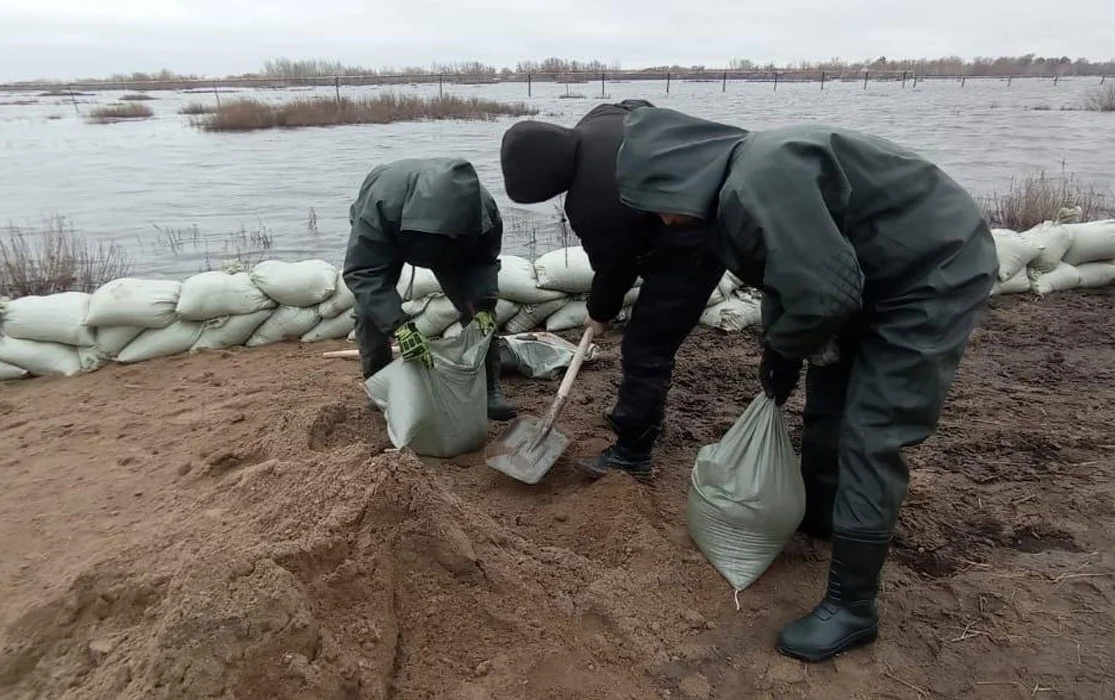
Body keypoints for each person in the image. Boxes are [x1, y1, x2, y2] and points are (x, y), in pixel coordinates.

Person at [614, 107, 998, 663]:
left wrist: (785, 346)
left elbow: (824, 299)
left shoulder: (759, 177)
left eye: (659, 206)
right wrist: (783, 353)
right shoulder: (733, 189)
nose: (665, 223)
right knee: (829, 401)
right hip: (869, 273)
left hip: (930, 273)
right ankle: (821, 512)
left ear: (680, 175)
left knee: (874, 429)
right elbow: (790, 277)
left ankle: (852, 606)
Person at [499, 100, 724, 481]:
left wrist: (599, 312)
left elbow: (613, 269)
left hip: (697, 242)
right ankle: (647, 415)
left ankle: (633, 453)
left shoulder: (593, 198)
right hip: (687, 212)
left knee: (646, 346)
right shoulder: (600, 120)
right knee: (649, 333)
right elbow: (640, 108)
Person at [342, 156, 517, 421]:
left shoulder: (484, 212)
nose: (454, 236)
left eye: (460, 233)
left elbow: (483, 262)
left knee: (480, 311)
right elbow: (364, 274)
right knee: (370, 312)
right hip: (396, 234)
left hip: (453, 253)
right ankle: (380, 384)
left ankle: (490, 387)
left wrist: (483, 301)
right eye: (450, 232)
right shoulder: (381, 203)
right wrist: (399, 326)